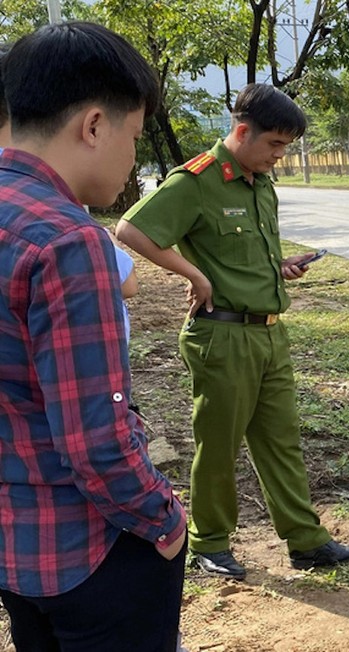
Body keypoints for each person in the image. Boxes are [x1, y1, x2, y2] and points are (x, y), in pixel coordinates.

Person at [116, 83, 349, 580]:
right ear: (242, 131)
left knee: (281, 440)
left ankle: (306, 541)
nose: (280, 155)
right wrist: (194, 274)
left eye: (285, 147)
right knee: (219, 444)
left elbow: (248, 254)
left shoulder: (259, 182)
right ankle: (209, 542)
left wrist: (280, 267)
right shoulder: (197, 181)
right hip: (222, 336)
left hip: (270, 333)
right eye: (274, 144)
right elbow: (130, 230)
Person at [0, 21, 187, 651]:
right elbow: (96, 444)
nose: (133, 157)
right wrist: (164, 518)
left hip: (14, 547)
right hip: (89, 549)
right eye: (134, 138)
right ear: (95, 126)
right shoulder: (69, 241)